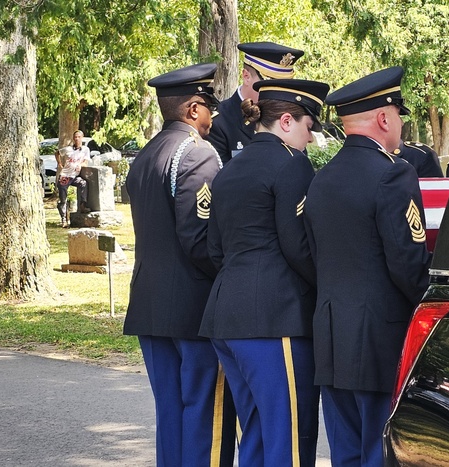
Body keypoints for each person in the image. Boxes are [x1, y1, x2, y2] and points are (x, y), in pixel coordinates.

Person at [304, 66, 431, 467]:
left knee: (346, 453)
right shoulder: (394, 174)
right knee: (380, 453)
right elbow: (408, 264)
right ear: (383, 118)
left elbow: (314, 255)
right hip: (379, 339)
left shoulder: (320, 180)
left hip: (331, 338)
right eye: (398, 117)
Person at [200, 78, 329, 467]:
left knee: (255, 433)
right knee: (289, 436)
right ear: (287, 121)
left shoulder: (230, 169)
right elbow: (299, 247)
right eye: (309, 127)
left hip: (226, 317)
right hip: (275, 320)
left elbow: (215, 249)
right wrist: (326, 287)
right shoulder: (291, 165)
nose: (310, 138)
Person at [122, 63, 235, 467]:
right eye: (208, 109)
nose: (210, 119)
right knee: (205, 412)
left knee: (170, 411)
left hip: (151, 304)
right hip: (193, 309)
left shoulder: (147, 154)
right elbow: (199, 239)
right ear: (192, 110)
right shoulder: (198, 153)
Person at [207, 42, 304, 165]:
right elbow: (221, 178)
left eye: (285, 86)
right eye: (271, 85)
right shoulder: (220, 122)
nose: (279, 93)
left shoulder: (290, 118)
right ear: (246, 76)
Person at [55, 130, 91, 227]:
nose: (77, 139)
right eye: (75, 137)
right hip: (65, 176)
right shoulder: (68, 149)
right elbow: (57, 153)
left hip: (74, 177)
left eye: (79, 137)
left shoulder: (85, 150)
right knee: (63, 199)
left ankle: (82, 206)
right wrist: (59, 164)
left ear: (82, 138)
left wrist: (80, 165)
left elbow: (85, 162)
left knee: (83, 183)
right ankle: (64, 220)